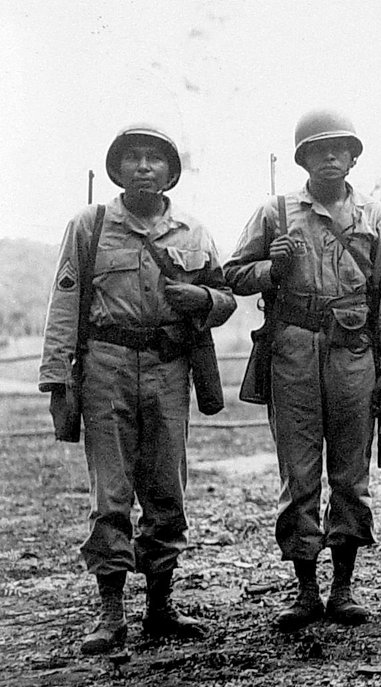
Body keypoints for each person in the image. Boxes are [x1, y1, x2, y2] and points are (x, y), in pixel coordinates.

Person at [40, 124, 236, 654]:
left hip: (170, 367)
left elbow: (224, 297)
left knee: (167, 488)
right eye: (133, 158)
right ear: (118, 169)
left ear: (171, 171)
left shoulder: (193, 231)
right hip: (107, 366)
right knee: (112, 491)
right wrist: (58, 377)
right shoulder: (91, 224)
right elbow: (65, 301)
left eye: (155, 159)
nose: (144, 167)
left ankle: (159, 606)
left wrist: (203, 300)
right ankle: (109, 614)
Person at [224, 109, 381, 630]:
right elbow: (233, 275)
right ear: (303, 158)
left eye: (340, 149)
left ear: (353, 157)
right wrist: (270, 267)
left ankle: (343, 589)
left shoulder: (375, 216)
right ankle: (306, 590)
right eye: (318, 149)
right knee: (299, 473)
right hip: (293, 352)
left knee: (350, 474)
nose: (330, 157)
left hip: (354, 353)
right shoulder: (274, 213)